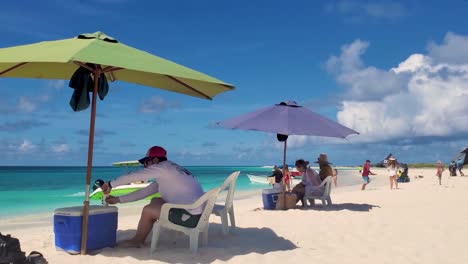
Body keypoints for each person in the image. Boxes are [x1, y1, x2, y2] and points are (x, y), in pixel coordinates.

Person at [101, 146, 204, 248]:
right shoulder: (171, 169)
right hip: (198, 212)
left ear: (155, 160)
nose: (145, 166)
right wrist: (118, 199)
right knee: (155, 200)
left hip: (190, 218)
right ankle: (145, 229)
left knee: (148, 210)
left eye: (146, 162)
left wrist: (110, 184)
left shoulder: (162, 168)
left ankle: (137, 241)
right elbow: (145, 192)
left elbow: (133, 176)